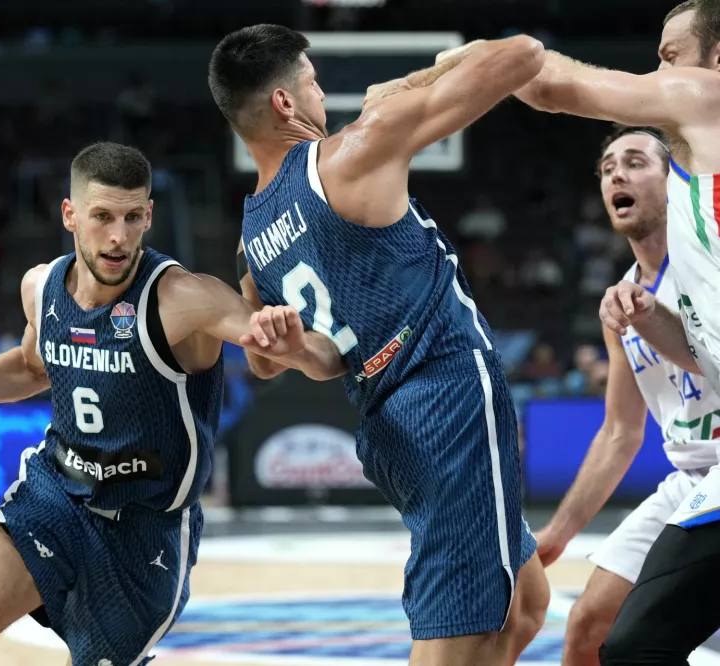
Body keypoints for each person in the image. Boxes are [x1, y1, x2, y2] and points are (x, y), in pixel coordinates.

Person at [0, 141, 341, 666]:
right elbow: (31, 367)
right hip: (56, 496)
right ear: (70, 215)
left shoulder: (183, 300)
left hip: (145, 535)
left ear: (149, 216)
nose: (118, 237)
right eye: (102, 217)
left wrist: (293, 343)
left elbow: (320, 361)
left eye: (132, 217)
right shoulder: (42, 288)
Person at [208, 25, 550, 666]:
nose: (322, 92)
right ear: (285, 104)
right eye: (311, 80)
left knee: (527, 604)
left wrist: (282, 350)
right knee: (457, 634)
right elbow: (523, 55)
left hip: (384, 420)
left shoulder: (253, 238)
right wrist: (401, 86)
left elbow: (311, 358)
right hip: (443, 392)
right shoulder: (354, 150)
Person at [513, 2, 720, 662]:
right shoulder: (630, 292)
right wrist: (557, 535)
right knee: (591, 629)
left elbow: (556, 87)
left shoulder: (702, 124)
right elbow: (621, 431)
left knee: (638, 644)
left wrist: (476, 65)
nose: (616, 176)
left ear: (673, 170)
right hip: (687, 475)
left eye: (634, 160)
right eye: (606, 169)